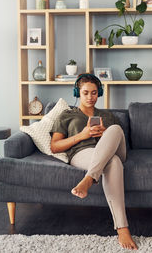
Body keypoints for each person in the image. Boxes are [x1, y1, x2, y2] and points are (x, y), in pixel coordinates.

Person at [50, 74, 138, 250]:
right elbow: (55, 146)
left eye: (94, 93)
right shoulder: (67, 115)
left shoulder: (107, 115)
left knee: (115, 129)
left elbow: (120, 141)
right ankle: (122, 228)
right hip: (83, 154)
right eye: (85, 93)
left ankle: (89, 179)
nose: (90, 97)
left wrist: (106, 134)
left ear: (99, 93)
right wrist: (82, 135)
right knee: (113, 163)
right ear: (77, 93)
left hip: (112, 151)